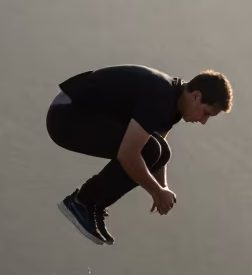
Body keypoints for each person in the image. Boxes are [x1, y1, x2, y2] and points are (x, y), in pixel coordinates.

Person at [47, 64, 233, 245]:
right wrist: (156, 191)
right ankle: (82, 202)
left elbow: (159, 152)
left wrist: (163, 187)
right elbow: (129, 154)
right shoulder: (161, 98)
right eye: (206, 113)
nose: (203, 121)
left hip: (76, 115)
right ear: (196, 96)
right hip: (66, 115)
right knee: (147, 151)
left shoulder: (174, 101)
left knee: (160, 151)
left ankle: (93, 204)